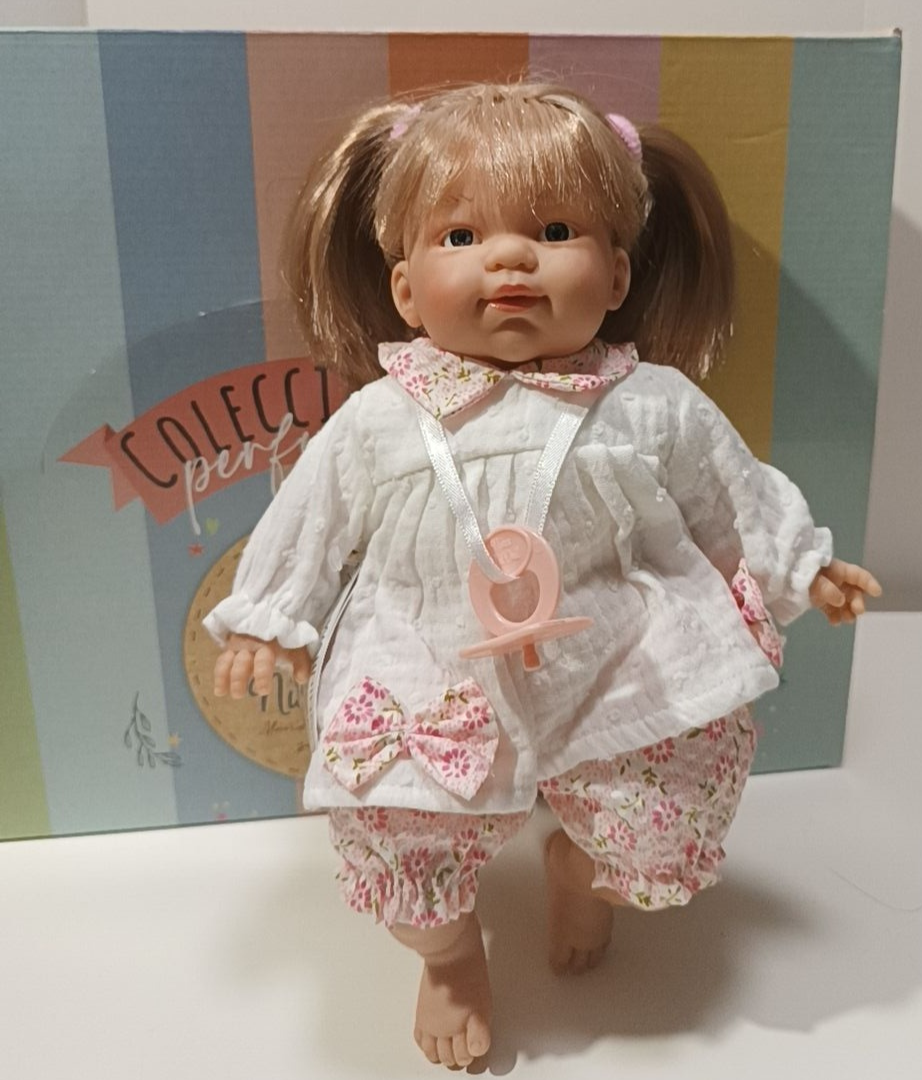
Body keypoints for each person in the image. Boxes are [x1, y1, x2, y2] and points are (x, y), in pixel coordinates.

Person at [204, 82, 881, 1069]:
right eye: (462, 235)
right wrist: (269, 616)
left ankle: (581, 867)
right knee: (399, 835)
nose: (511, 257)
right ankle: (448, 958)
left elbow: (728, 492)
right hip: (428, 657)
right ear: (406, 290)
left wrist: (802, 563)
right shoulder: (381, 421)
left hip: (622, 649)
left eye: (555, 230)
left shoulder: (651, 403)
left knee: (660, 818)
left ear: (616, 274)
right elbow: (311, 516)